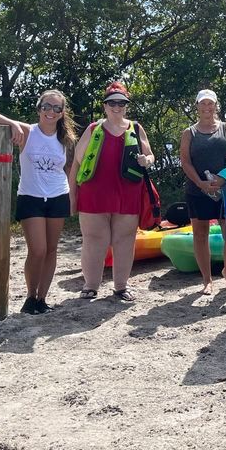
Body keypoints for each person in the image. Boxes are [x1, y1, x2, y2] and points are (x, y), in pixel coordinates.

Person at [0, 90, 77, 314]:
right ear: (39, 108)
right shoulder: (28, 132)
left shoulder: (66, 140)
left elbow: (69, 169)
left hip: (57, 196)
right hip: (31, 197)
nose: (50, 112)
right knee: (38, 250)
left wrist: (73, 197)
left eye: (56, 108)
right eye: (46, 106)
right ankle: (30, 296)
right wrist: (12, 123)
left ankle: (41, 299)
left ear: (62, 113)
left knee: (52, 250)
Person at [69, 82, 154, 302]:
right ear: (105, 105)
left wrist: (147, 160)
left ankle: (121, 286)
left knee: (125, 240)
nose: (117, 107)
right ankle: (90, 286)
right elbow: (77, 164)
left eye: (121, 103)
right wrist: (72, 194)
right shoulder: (93, 128)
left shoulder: (135, 127)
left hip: (128, 192)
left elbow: (150, 155)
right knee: (94, 239)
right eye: (112, 103)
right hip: (94, 192)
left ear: (126, 105)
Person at [179, 89, 226, 295]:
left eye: (210, 103)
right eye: (203, 104)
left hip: (225, 190)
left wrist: (222, 179)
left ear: (215, 105)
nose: (206, 107)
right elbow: (185, 162)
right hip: (197, 190)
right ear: (197, 106)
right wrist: (201, 183)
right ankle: (206, 280)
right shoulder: (189, 133)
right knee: (200, 234)